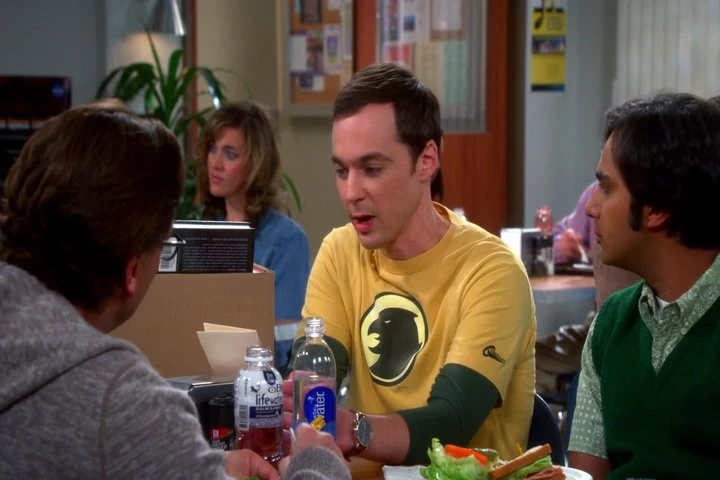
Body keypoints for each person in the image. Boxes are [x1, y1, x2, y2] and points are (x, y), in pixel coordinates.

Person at [0, 106, 349, 479]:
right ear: (132, 271)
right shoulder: (122, 403)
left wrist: (202, 466)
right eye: (164, 245)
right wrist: (319, 463)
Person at [285, 63, 536, 465]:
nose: (350, 192)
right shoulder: (339, 251)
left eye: (371, 169)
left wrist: (353, 429)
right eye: (341, 171)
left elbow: (452, 421)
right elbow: (312, 381)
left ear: (426, 160)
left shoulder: (492, 270)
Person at [568, 93, 720, 479]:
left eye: (606, 188)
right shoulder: (610, 324)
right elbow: (585, 475)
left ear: (658, 209)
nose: (590, 208)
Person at [195, 101, 311, 375]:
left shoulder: (287, 240)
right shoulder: (201, 232)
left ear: (256, 164)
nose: (216, 163)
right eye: (212, 149)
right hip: (198, 374)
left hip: (259, 383)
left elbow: (286, 341)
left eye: (230, 154)